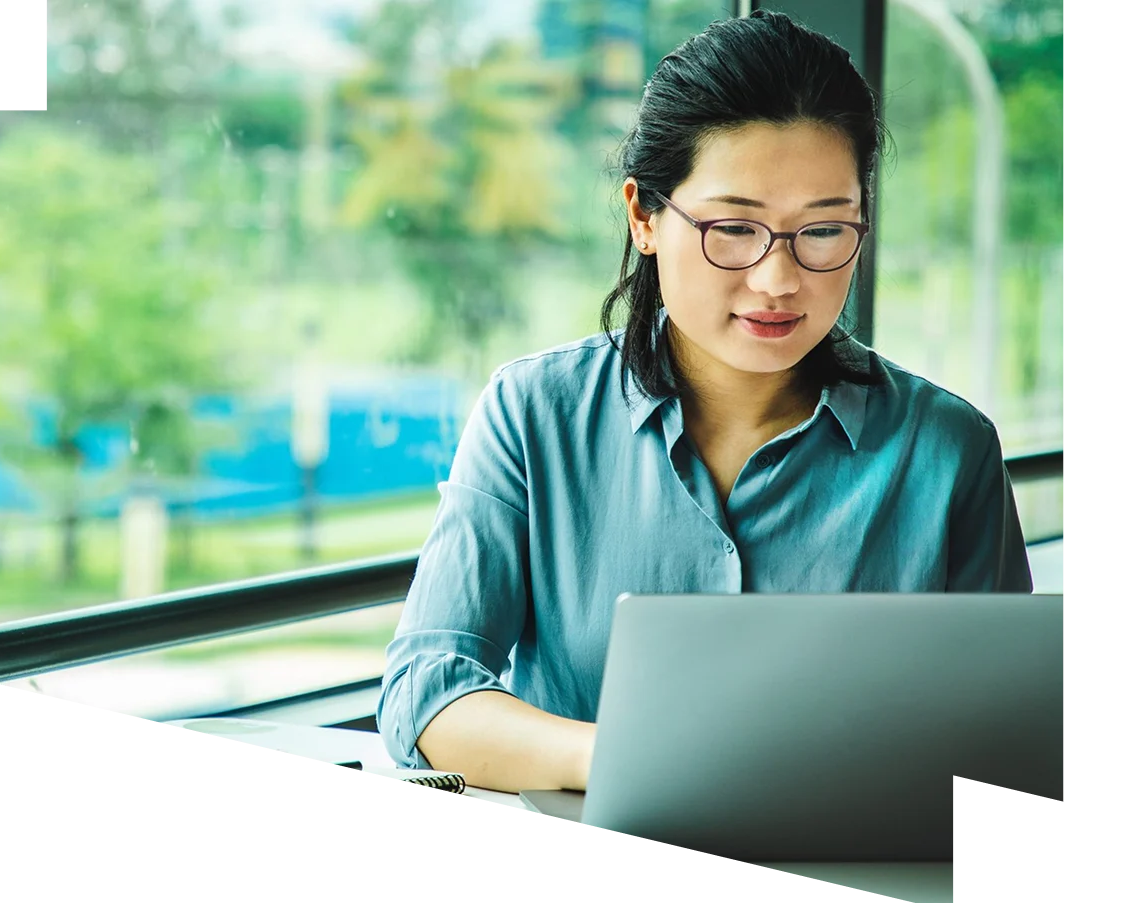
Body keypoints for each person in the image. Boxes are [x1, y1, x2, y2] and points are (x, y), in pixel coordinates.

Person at [376, 10, 1033, 794]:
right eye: (733, 228)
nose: (779, 280)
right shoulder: (532, 415)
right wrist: (637, 753)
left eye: (823, 230)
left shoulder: (948, 450)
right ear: (644, 216)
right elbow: (427, 690)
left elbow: (1010, 725)